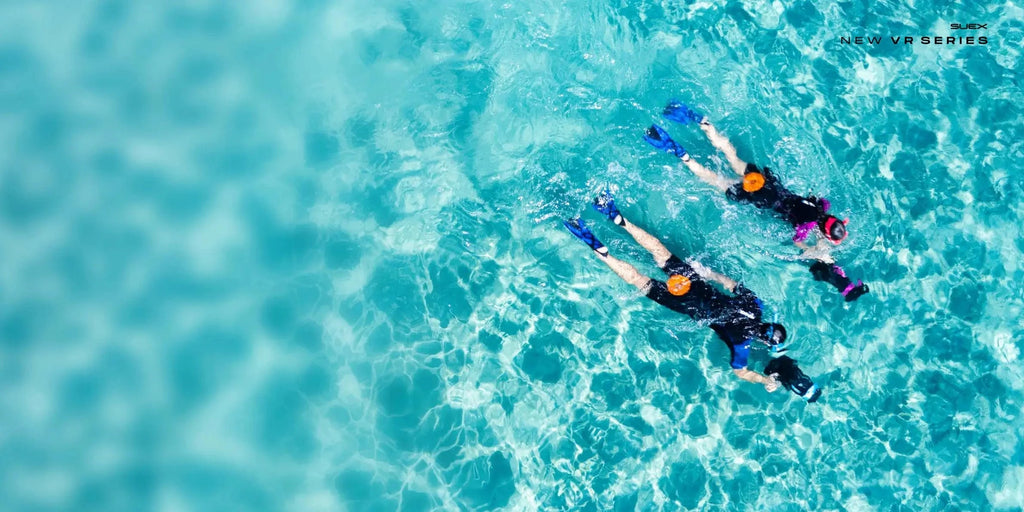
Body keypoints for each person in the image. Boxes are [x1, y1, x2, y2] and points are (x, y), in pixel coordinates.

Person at [563, 188, 819, 400]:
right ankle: (600, 250)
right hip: (690, 306)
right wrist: (763, 379)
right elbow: (740, 372)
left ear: (769, 322)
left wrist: (707, 273)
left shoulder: (755, 306)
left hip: (698, 285)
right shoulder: (742, 344)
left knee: (661, 253)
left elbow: (730, 283)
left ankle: (618, 218)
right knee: (640, 281)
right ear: (764, 341)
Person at [644, 101, 869, 302]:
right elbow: (798, 242)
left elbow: (815, 201)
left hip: (766, 182)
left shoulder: (823, 206)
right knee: (714, 179)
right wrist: (811, 249)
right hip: (759, 195)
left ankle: (702, 121)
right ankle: (680, 153)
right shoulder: (805, 227)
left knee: (731, 155)